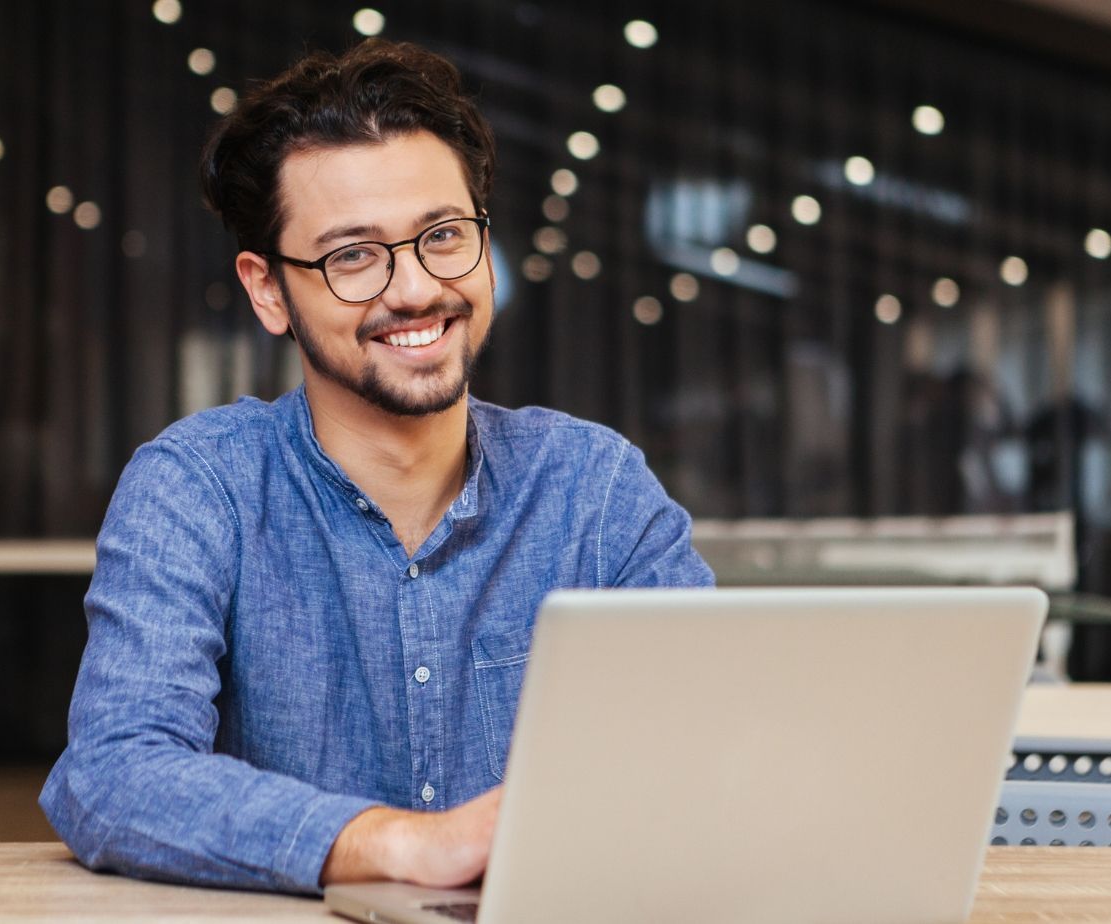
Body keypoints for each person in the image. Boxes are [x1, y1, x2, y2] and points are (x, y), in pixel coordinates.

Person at [39, 38, 713, 896]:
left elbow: (711, 744)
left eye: (443, 235)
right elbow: (111, 776)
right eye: (353, 255)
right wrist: (398, 844)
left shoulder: (593, 486)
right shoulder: (198, 488)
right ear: (269, 290)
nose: (415, 289)